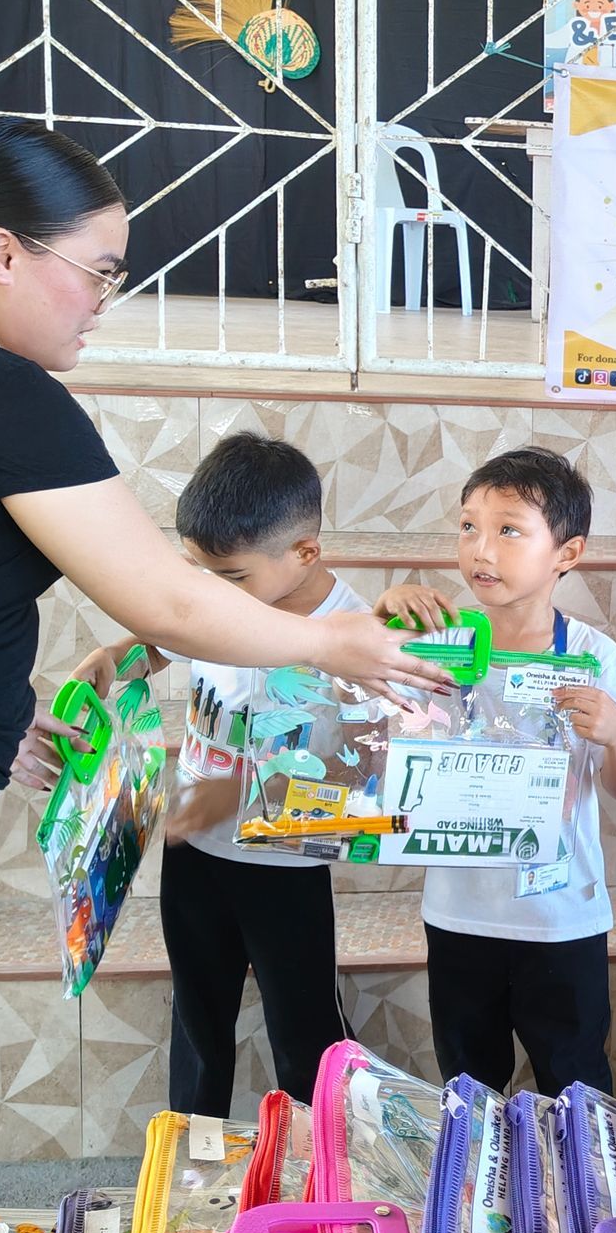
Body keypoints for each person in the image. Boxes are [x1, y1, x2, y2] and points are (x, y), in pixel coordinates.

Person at [0, 122, 435, 803]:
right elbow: (171, 606)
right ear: (5, 255)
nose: (104, 304)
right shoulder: (16, 398)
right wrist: (324, 644)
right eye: (100, 275)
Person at [75, 435, 366, 1114]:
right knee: (198, 1019)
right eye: (198, 573)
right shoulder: (215, 596)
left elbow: (351, 773)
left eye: (229, 576)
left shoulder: (350, 634)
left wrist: (231, 794)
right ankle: (190, 1147)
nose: (209, 591)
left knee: (305, 1031)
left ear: (305, 552)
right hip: (195, 855)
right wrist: (117, 656)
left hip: (284, 867)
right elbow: (164, 642)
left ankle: (321, 1156)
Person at [375, 446, 616, 1094]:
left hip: (561, 917)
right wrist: (384, 618)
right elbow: (366, 710)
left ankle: (577, 1167)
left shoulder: (592, 654)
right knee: (468, 1086)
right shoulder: (437, 645)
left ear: (567, 553)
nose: (481, 549)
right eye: (468, 526)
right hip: (458, 914)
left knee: (576, 1083)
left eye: (508, 530)